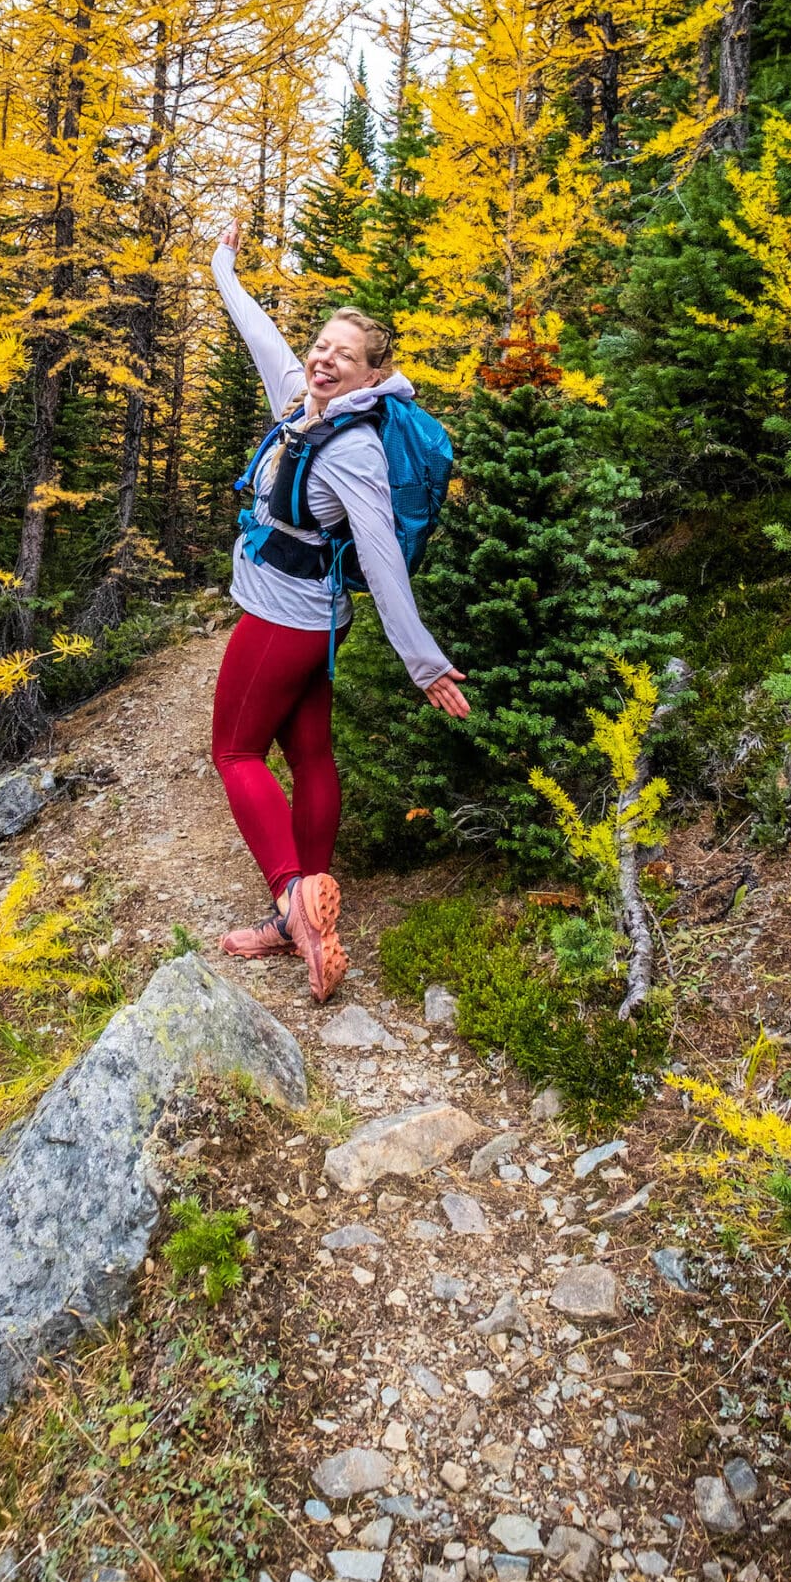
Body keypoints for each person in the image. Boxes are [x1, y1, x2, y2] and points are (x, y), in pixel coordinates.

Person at [209, 216, 470, 1001]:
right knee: (311, 754)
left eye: (342, 356)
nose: (322, 360)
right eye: (320, 346)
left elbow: (384, 564)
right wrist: (223, 265)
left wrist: (423, 663)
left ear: (370, 376)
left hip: (283, 620)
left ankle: (292, 901)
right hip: (313, 623)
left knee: (234, 753)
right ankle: (309, 928)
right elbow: (259, 336)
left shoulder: (353, 448)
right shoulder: (301, 399)